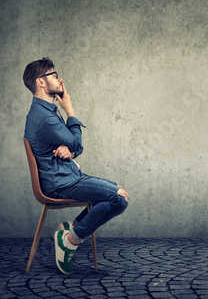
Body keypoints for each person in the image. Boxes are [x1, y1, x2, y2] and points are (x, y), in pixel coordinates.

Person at [23, 57, 129, 274]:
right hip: (61, 183)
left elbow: (76, 148)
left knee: (118, 190)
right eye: (53, 75)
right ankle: (70, 240)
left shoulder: (46, 111)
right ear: (41, 82)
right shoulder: (44, 117)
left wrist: (70, 149)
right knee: (119, 198)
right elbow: (78, 142)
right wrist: (70, 108)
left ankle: (71, 227)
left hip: (67, 175)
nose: (59, 79)